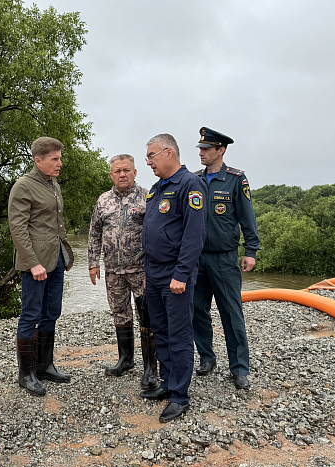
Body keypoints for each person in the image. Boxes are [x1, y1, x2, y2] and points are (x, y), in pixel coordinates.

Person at [141, 133, 207, 423]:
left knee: (179, 334)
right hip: (153, 273)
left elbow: (194, 235)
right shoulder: (156, 189)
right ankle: (168, 383)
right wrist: (146, 274)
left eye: (152, 155)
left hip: (175, 273)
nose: (148, 162)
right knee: (161, 331)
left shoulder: (189, 184)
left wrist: (181, 273)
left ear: (169, 153)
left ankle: (180, 395)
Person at [192, 127, 260, 390]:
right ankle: (207, 358)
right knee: (198, 311)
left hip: (224, 258)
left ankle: (240, 367)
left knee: (231, 313)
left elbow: (247, 217)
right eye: (200, 148)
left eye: (207, 149)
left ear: (221, 150)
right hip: (196, 259)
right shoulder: (194, 180)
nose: (202, 153)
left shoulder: (235, 179)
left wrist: (251, 251)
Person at [8, 137, 74, 396]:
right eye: (54, 159)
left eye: (60, 158)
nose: (60, 163)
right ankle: (26, 374)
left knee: (52, 312)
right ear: (38, 160)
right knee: (30, 314)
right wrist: (33, 263)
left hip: (55, 258)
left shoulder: (53, 184)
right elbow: (18, 228)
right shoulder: (24, 186)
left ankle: (45, 366)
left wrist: (63, 255)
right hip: (35, 263)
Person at [88, 154, 158, 389]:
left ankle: (150, 368)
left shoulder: (148, 196)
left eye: (126, 170)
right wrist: (93, 263)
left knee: (146, 317)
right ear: (111, 175)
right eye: (117, 171)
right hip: (113, 271)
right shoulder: (103, 200)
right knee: (120, 315)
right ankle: (126, 359)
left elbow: (156, 233)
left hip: (141, 270)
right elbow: (94, 233)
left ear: (135, 172)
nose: (122, 174)